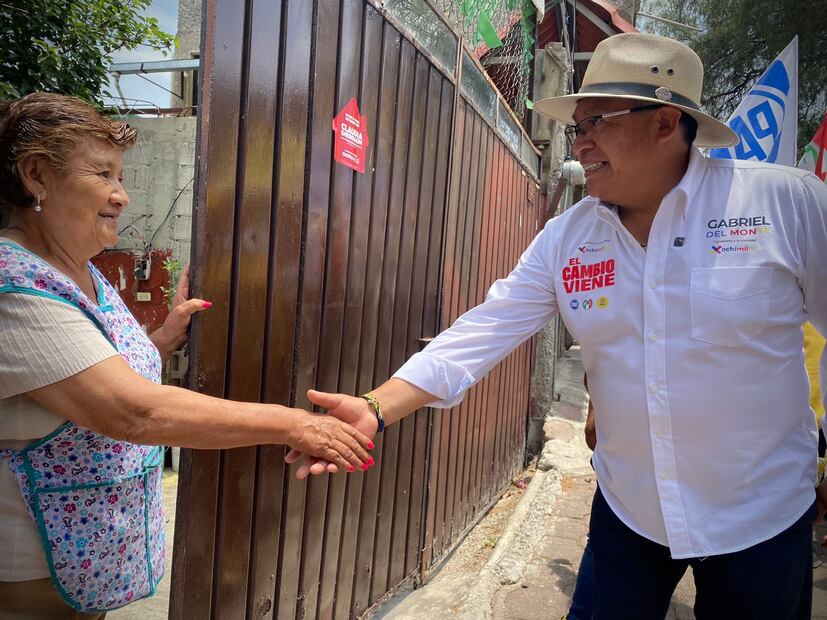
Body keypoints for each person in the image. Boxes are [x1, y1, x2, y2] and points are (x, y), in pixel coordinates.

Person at [287, 33, 827, 618]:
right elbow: (483, 330)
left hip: (762, 518)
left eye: (596, 121)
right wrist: (375, 407)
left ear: (666, 122)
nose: (581, 142)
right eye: (577, 127)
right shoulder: (569, 238)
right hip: (632, 514)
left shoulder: (786, 205)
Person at [0, 92, 375, 619]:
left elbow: (78, 374)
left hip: (84, 563)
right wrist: (297, 425)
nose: (120, 195)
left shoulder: (80, 272)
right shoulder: (13, 284)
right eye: (103, 174)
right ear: (36, 175)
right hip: (33, 574)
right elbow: (132, 409)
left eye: (122, 177)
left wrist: (164, 337)